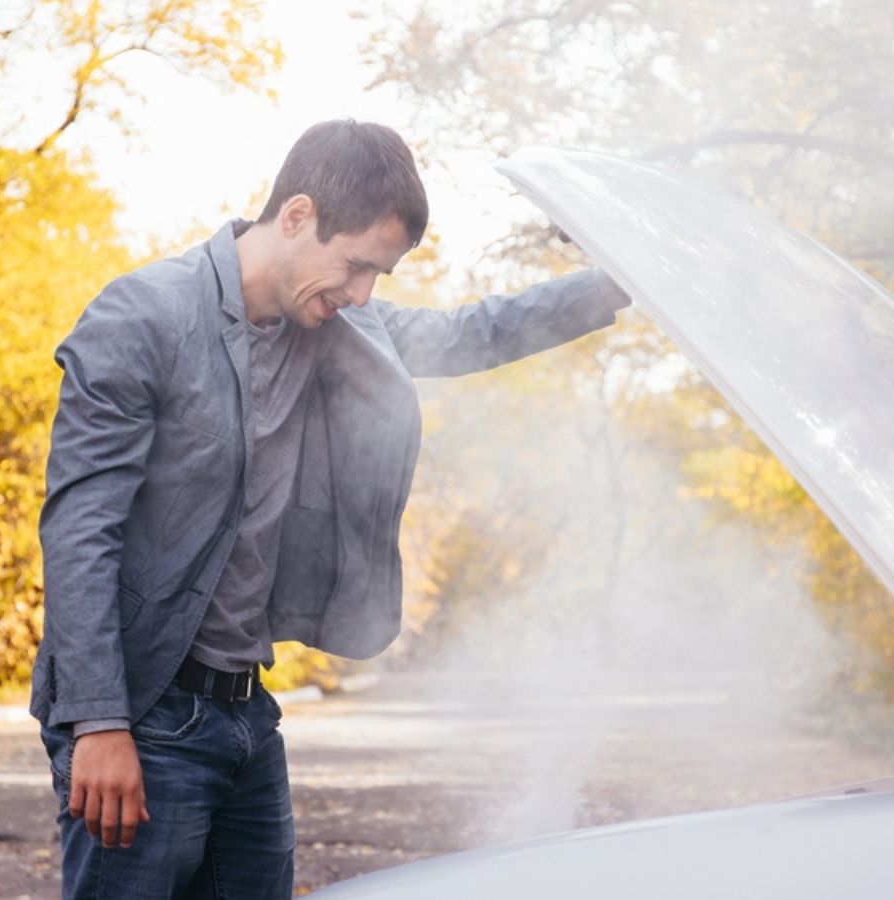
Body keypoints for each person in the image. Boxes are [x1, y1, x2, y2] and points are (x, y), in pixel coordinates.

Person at [31, 119, 629, 899]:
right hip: (146, 712)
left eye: (377, 275)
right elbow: (80, 528)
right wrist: (98, 724)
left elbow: (471, 332)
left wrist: (621, 282)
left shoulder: (334, 322)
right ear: (297, 216)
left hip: (247, 713)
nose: (361, 295)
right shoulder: (142, 317)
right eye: (355, 267)